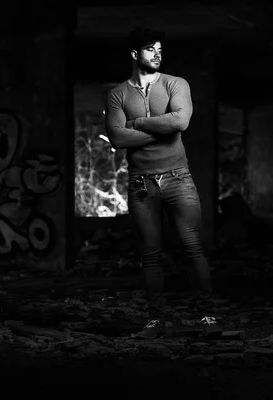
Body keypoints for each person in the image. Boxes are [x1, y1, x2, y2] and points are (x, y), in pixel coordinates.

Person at [104, 27, 221, 339]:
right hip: (141, 184)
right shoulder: (118, 94)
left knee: (192, 246)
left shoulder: (175, 84)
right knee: (151, 253)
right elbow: (117, 137)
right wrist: (160, 127)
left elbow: (181, 121)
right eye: (149, 49)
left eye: (159, 49)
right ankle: (156, 321)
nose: (156, 53)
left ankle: (207, 316)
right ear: (134, 55)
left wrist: (137, 124)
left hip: (178, 179)